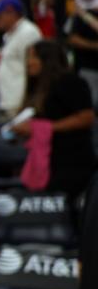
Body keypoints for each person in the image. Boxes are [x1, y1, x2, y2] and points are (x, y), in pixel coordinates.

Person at [13, 40, 97, 199]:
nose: (28, 63)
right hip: (47, 158)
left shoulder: (71, 82)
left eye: (33, 57)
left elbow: (87, 117)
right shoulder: (37, 85)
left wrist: (44, 128)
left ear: (47, 60)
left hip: (71, 160)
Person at [0, 0, 42, 118]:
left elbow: (34, 69)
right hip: (8, 100)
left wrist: (28, 101)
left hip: (20, 102)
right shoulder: (10, 34)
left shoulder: (28, 32)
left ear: (11, 12)